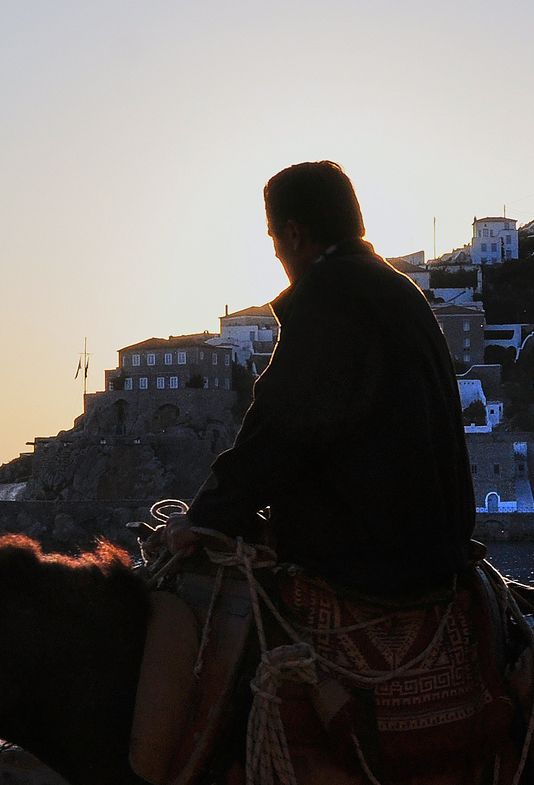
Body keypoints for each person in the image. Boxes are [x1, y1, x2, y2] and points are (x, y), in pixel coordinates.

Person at [170, 161, 475, 595]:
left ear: (293, 234)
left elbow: (281, 425)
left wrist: (202, 519)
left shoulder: (331, 296)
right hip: (437, 551)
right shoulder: (400, 288)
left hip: (372, 562)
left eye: (275, 240)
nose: (276, 253)